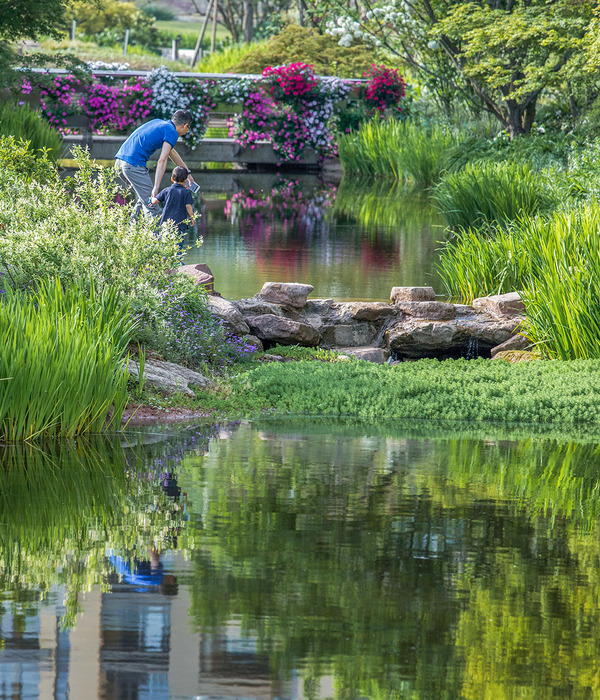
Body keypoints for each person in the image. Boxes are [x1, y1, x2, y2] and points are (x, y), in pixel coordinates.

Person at [114, 109, 195, 219]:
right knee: (152, 206)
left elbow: (171, 152)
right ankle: (157, 237)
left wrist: (188, 173)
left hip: (120, 162)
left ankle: (130, 233)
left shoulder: (160, 123)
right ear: (185, 126)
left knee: (142, 200)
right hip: (133, 164)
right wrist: (156, 187)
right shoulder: (172, 132)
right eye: (188, 128)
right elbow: (162, 160)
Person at [151, 165, 196, 238]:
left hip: (166, 225)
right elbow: (188, 206)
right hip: (180, 225)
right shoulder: (186, 192)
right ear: (186, 180)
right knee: (178, 246)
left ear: (172, 179)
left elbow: (155, 201)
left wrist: (151, 199)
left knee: (165, 245)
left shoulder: (167, 190)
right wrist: (192, 218)